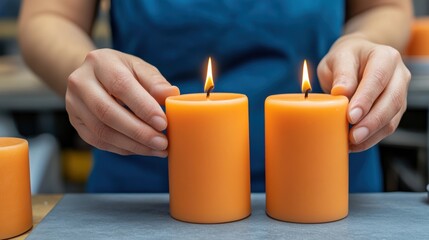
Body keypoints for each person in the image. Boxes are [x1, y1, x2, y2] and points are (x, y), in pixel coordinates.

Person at [18, 0, 412, 193]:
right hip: (145, 188)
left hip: (326, 183)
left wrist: (366, 47)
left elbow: (387, 8)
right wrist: (79, 67)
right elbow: (48, 17)